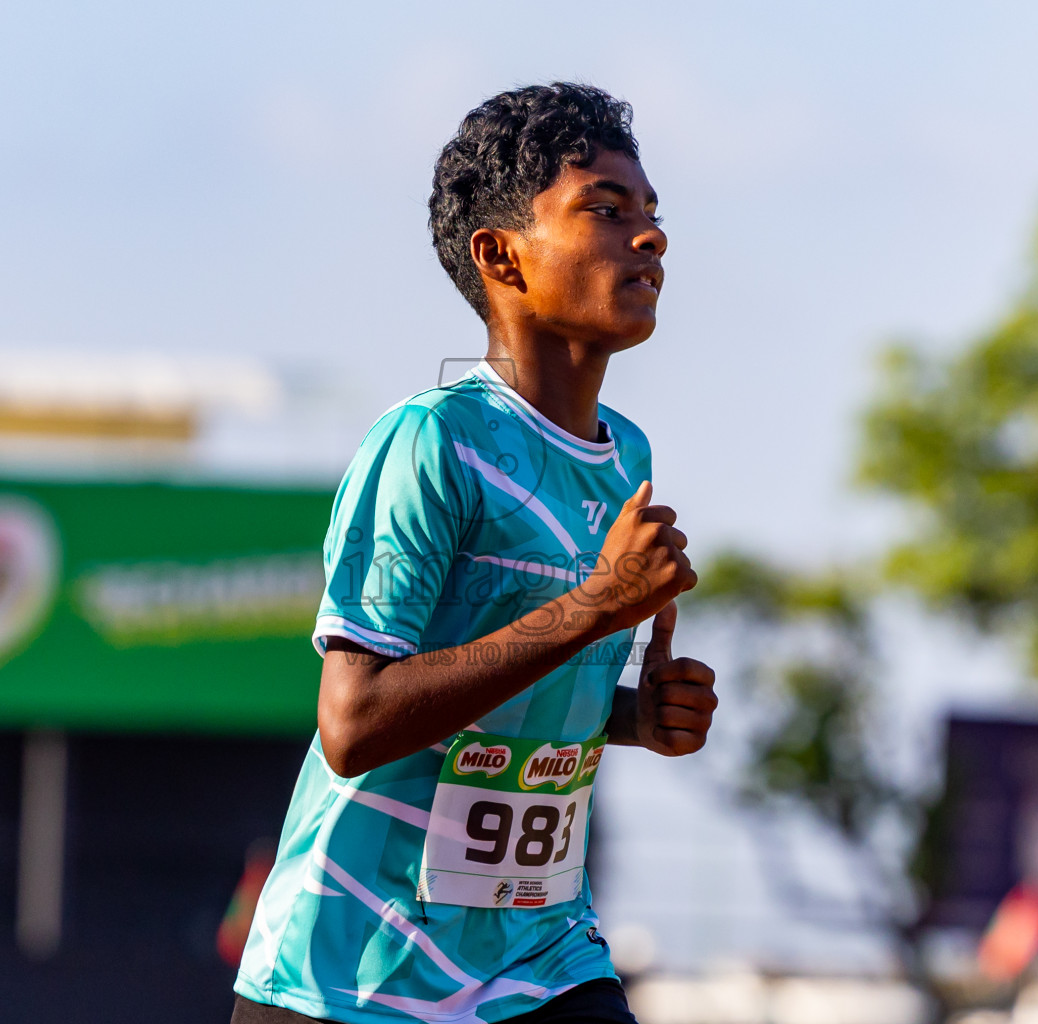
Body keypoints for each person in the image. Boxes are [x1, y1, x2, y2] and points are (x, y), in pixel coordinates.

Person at [232, 82, 717, 1024]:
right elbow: (356, 722)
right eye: (606, 211)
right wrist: (597, 606)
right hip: (351, 972)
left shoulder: (628, 458)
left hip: (537, 959)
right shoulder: (431, 443)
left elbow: (519, 688)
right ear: (502, 257)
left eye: (653, 214)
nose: (650, 237)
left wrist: (629, 717)